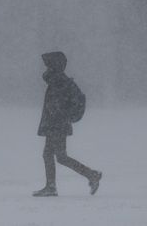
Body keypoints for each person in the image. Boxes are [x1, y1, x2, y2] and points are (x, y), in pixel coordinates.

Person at [32, 51, 102, 197]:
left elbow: (58, 105)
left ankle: (90, 175)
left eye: (48, 65)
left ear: (54, 66)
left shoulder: (59, 81)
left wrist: (60, 117)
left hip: (57, 125)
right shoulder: (57, 80)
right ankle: (88, 175)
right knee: (54, 155)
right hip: (56, 124)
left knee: (57, 156)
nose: (46, 68)